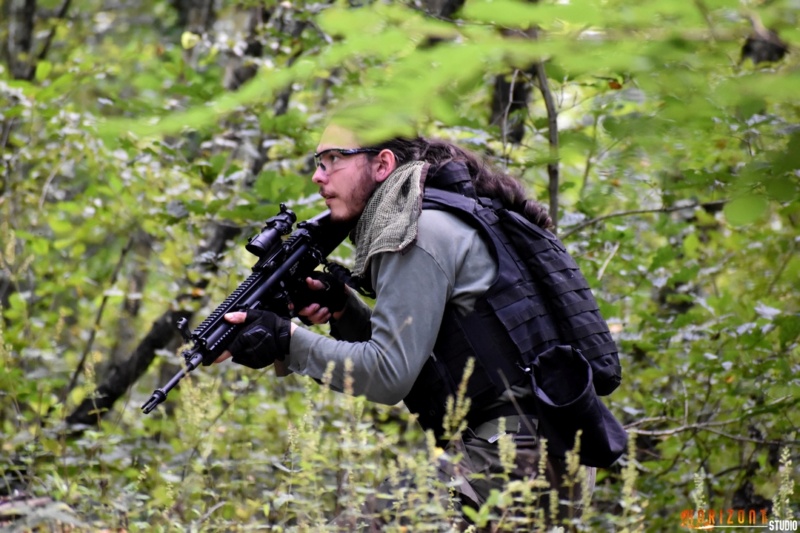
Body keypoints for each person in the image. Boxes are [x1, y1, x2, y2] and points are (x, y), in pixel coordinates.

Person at [215, 123, 596, 528]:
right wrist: (344, 310)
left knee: (375, 521)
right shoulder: (447, 214)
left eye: (333, 160)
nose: (318, 175)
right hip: (549, 453)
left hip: (516, 459)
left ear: (382, 164)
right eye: (318, 162)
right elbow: (426, 357)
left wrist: (285, 339)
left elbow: (388, 375)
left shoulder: (414, 232)